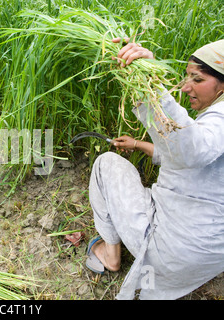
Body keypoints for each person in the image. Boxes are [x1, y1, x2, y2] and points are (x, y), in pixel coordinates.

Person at [86, 38, 224, 299]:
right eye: (187, 77)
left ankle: (110, 256)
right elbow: (197, 156)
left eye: (197, 79)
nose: (185, 87)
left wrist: (152, 88)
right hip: (210, 259)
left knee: (106, 164)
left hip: (172, 254)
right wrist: (138, 144)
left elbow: (191, 151)